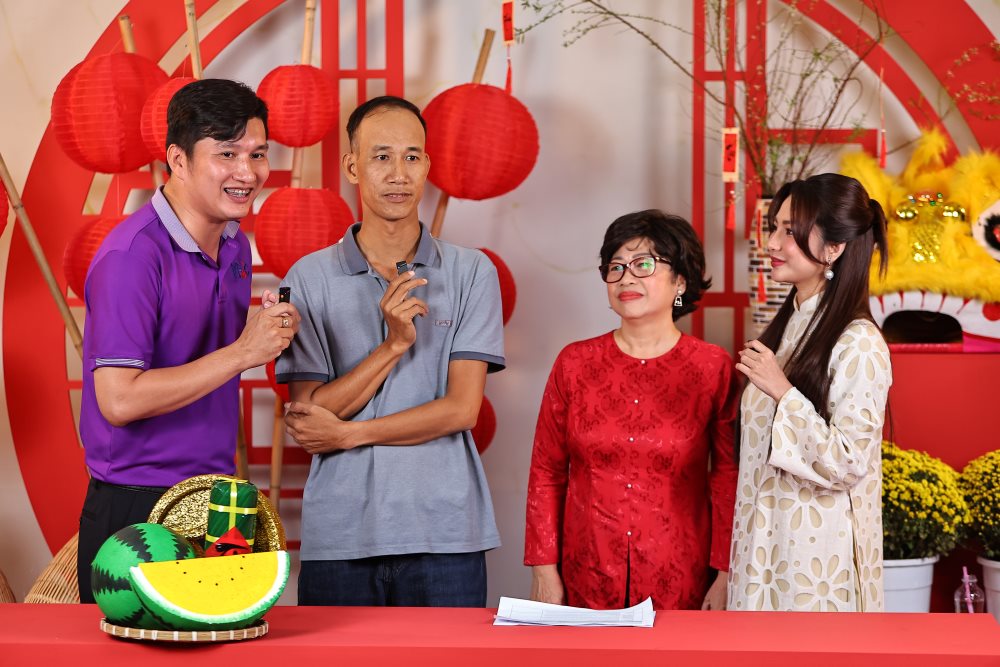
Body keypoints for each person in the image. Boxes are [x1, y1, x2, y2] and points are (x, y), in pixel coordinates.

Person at [277, 96, 505, 607]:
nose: (398, 174)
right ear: (352, 167)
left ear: (426, 165)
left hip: (445, 532)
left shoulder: (472, 272)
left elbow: (461, 410)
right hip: (340, 532)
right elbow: (309, 417)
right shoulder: (309, 278)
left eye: (411, 156)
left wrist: (350, 433)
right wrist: (394, 344)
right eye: (381, 157)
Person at [77, 79, 300, 601]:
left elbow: (203, 350)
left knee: (224, 640)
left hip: (217, 496)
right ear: (178, 160)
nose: (248, 172)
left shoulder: (234, 245)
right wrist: (243, 352)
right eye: (227, 154)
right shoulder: (132, 257)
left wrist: (261, 333)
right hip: (137, 501)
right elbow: (119, 400)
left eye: (257, 154)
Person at [524, 210, 738, 611]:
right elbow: (546, 472)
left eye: (644, 264)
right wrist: (543, 568)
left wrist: (726, 573)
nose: (626, 278)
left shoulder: (712, 368)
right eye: (616, 267)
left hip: (681, 573)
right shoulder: (574, 363)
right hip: (585, 573)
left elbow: (727, 479)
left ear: (680, 281)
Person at [728, 173, 891, 612]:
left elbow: (848, 461)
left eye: (789, 231)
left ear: (834, 247)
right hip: (762, 544)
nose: (772, 244)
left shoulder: (859, 342)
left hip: (815, 557)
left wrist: (784, 393)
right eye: (773, 228)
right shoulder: (788, 328)